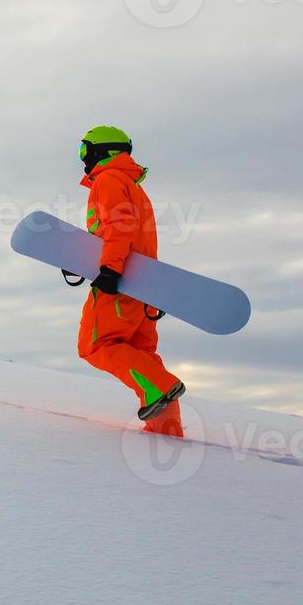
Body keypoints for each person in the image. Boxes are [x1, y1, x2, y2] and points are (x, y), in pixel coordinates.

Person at [71, 126, 186, 438]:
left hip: (119, 282)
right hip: (143, 286)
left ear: (102, 151)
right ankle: (166, 431)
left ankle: (162, 387)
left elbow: (118, 227)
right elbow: (133, 235)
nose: (82, 160)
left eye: (84, 151)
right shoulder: (134, 188)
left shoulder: (108, 180)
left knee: (96, 345)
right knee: (141, 352)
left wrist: (109, 269)